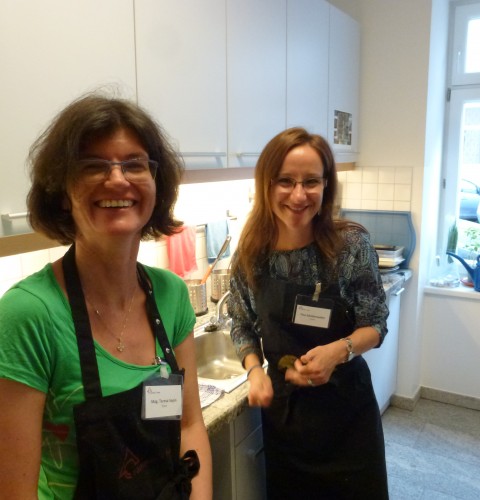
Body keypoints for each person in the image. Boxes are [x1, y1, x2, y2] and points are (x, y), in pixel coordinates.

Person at [0, 93, 212, 499]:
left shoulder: (169, 294)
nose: (117, 179)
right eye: (93, 166)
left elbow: (188, 426)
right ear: (63, 190)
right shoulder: (28, 314)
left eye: (134, 164)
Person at [228, 127, 390, 499]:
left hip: (347, 417)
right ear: (266, 185)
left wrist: (338, 351)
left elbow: (376, 323)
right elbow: (241, 322)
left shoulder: (350, 246)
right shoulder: (253, 253)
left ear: (326, 186)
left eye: (311, 182)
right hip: (287, 419)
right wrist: (254, 370)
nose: (299, 195)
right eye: (286, 181)